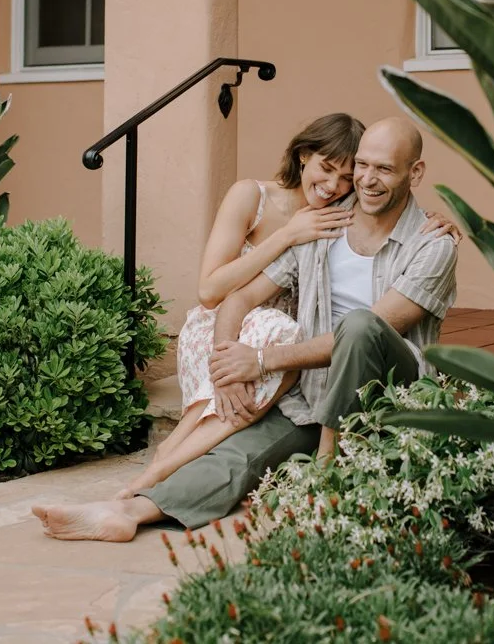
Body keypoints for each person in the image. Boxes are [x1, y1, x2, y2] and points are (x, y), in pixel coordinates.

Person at [32, 115, 458, 541]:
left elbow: (373, 329)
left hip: (389, 390)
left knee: (361, 323)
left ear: (414, 172)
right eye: (362, 165)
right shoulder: (324, 222)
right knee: (241, 454)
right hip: (316, 393)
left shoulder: (433, 243)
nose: (366, 179)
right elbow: (236, 298)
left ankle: (327, 466)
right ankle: (127, 513)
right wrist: (225, 366)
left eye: (383, 169)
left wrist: (259, 360)